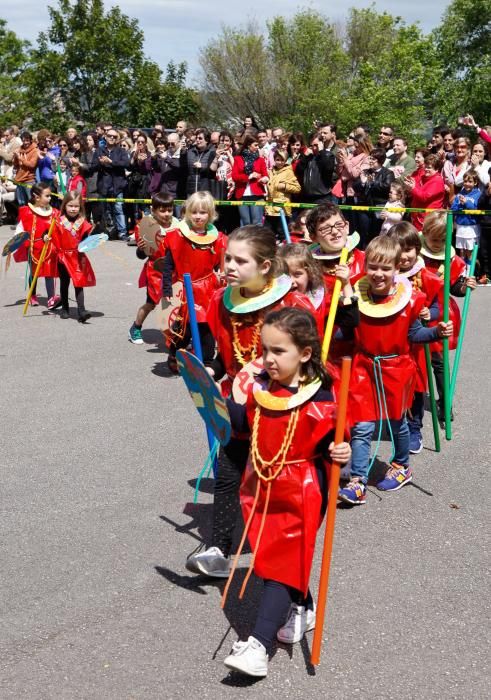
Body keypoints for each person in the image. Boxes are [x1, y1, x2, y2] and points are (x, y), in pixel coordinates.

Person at [221, 307, 351, 677]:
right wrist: (218, 404)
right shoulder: (261, 388)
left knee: (280, 563)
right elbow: (241, 424)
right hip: (261, 485)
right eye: (265, 350)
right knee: (269, 557)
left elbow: (334, 444)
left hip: (303, 490)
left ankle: (258, 646)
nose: (268, 359)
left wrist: (342, 451)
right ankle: (301, 605)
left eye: (279, 351)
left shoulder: (323, 398)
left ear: (305, 353)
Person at [186, 226, 319, 579]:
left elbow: (311, 357)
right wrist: (209, 371)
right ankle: (218, 548)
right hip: (237, 398)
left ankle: (279, 555)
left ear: (264, 266)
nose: (229, 265)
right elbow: (222, 354)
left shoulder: (292, 303)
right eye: (227, 257)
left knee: (272, 474)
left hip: (281, 402)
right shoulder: (220, 299)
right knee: (228, 469)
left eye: (240, 260)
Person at [338, 236, 453, 505]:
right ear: (366, 267)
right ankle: (358, 481)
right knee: (363, 425)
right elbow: (347, 327)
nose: (379, 273)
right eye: (374, 267)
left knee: (396, 422)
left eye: (386, 268)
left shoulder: (409, 299)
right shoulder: (354, 292)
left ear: (396, 270)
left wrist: (437, 331)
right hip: (364, 366)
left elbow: (415, 334)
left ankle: (402, 466)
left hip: (397, 368)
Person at [387, 222, 443, 453]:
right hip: (391, 340)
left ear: (417, 250)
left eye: (409, 249)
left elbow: (439, 305)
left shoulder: (425, 276)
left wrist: (431, 313)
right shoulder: (385, 273)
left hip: (416, 344)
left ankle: (414, 427)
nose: (404, 256)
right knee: (391, 384)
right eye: (399, 250)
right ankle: (392, 421)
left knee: (417, 386)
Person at [420, 212, 476, 421]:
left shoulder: (452, 259)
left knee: (439, 361)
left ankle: (445, 404)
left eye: (444, 240)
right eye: (435, 240)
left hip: (440, 313)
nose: (438, 244)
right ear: (424, 234)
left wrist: (465, 285)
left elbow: (455, 288)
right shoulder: (414, 252)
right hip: (414, 310)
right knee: (413, 359)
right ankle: (409, 405)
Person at [162, 191, 226, 373]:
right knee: (184, 328)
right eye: (195, 212)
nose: (198, 216)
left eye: (203, 212)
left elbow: (220, 264)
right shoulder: (178, 236)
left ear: (210, 214)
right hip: (185, 287)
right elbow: (169, 264)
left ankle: (206, 364)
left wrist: (222, 277)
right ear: (187, 213)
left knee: (207, 327)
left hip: (208, 289)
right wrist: (167, 288)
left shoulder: (218, 238)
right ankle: (175, 355)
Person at [128, 193, 178, 344]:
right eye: (162, 210)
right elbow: (141, 255)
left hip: (174, 272)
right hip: (155, 272)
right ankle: (136, 327)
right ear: (153, 210)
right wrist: (142, 249)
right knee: (151, 304)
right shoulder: (147, 227)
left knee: (175, 304)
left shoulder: (178, 226)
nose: (166, 214)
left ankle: (176, 334)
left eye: (169, 210)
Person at [13, 182, 59, 308]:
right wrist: (15, 243)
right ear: (37, 197)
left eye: (50, 196)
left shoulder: (53, 212)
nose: (50, 198)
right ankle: (32, 295)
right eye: (47, 196)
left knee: (49, 272)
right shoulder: (27, 212)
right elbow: (21, 229)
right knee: (34, 273)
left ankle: (51, 299)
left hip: (48, 247)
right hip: (33, 248)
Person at [51, 192, 94, 322]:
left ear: (80, 207)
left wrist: (91, 240)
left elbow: (85, 241)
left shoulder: (83, 222)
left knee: (79, 283)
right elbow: (47, 233)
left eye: (76, 206)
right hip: (63, 257)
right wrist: (45, 237)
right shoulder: (58, 221)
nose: (73, 209)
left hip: (77, 256)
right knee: (65, 283)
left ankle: (82, 310)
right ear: (65, 206)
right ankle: (65, 308)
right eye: (70, 206)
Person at [91, 128, 130, 241]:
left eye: (114, 136)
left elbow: (126, 164)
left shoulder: (121, 151)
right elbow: (92, 167)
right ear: (105, 137)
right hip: (104, 185)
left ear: (117, 139)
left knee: (119, 209)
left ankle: (122, 233)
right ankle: (109, 232)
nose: (112, 138)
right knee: (106, 210)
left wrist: (111, 162)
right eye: (110, 136)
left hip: (117, 185)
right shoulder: (99, 150)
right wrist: (100, 163)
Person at [231, 134, 268, 227]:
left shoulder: (260, 160)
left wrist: (264, 179)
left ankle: (258, 241)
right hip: (242, 194)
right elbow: (234, 176)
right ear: (248, 145)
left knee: (257, 223)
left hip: (256, 194)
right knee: (245, 223)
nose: (257, 147)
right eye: (255, 145)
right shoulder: (238, 159)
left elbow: (266, 175)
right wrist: (248, 177)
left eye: (258, 145)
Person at [264, 149, 301, 241]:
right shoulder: (270, 171)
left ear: (285, 161)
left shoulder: (288, 172)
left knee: (282, 234)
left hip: (282, 209)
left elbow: (297, 188)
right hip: (270, 208)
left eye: (282, 160)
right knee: (267, 233)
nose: (280, 162)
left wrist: (284, 186)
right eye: (277, 159)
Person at [404, 154, 445, 231]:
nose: (426, 169)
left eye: (429, 167)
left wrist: (413, 187)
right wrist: (409, 186)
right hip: (417, 218)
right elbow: (415, 189)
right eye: (425, 166)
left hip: (427, 220)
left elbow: (424, 197)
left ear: (436, 169)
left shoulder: (437, 181)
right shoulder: (424, 178)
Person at [450, 170, 481, 269]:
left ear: (475, 182)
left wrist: (466, 203)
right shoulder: (460, 194)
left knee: (470, 251)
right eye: (465, 181)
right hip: (460, 227)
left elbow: (476, 209)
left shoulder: (478, 194)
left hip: (471, 227)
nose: (467, 184)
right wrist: (459, 205)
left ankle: (470, 273)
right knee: (461, 251)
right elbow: (453, 208)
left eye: (470, 181)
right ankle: (462, 273)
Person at [295, 133, 336, 205]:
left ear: (321, 144)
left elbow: (328, 168)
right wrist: (305, 157)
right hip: (307, 197)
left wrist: (321, 152)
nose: (314, 148)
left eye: (316, 145)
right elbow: (298, 171)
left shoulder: (328, 155)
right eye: (311, 146)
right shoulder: (307, 156)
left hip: (322, 197)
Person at [184, 128, 216, 195]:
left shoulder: (213, 152)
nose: (197, 140)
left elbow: (214, 170)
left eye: (200, 138)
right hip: (191, 190)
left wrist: (202, 166)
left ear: (207, 140)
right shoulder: (190, 152)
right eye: (197, 138)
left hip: (205, 190)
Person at [13, 132, 39, 206]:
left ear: (30, 140)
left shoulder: (35, 150)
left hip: (29, 180)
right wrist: (15, 157)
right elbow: (15, 165)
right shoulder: (19, 150)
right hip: (19, 179)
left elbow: (32, 165)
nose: (25, 142)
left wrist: (20, 158)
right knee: (21, 203)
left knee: (31, 202)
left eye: (27, 140)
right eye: (23, 140)